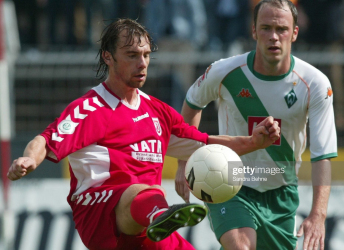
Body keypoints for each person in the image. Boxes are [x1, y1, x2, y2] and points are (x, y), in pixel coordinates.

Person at [7, 19, 280, 250]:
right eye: (132, 55)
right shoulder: (89, 109)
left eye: (146, 55)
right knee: (141, 190)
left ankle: (158, 215)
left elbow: (205, 144)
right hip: (101, 216)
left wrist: (252, 142)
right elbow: (45, 139)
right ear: (108, 57)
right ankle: (158, 213)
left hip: (150, 224)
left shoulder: (157, 111)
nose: (142, 63)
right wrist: (29, 160)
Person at [175, 1, 337, 250]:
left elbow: (322, 155)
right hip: (226, 179)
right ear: (253, 31)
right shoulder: (224, 71)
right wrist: (183, 161)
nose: (273, 36)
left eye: (281, 29)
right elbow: (192, 103)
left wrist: (319, 215)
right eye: (265, 28)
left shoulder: (315, 84)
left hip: (281, 192)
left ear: (294, 33)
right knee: (241, 246)